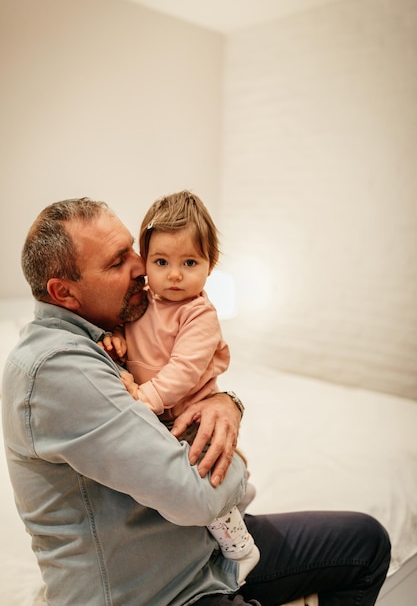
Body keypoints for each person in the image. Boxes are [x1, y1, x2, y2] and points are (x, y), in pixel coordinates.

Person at [2, 197, 391, 606]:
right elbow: (197, 498)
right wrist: (235, 457)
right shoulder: (57, 369)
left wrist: (227, 402)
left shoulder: (110, 326)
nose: (141, 267)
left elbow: (183, 372)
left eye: (133, 249)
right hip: (159, 591)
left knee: (365, 544)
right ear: (64, 293)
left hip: (203, 554)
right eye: (118, 262)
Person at [104, 191, 259, 585]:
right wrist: (115, 340)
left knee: (204, 473)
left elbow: (184, 370)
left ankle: (241, 546)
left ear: (211, 266)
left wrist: (145, 398)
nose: (174, 275)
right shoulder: (140, 301)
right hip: (156, 415)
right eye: (162, 262)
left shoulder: (199, 314)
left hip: (189, 410)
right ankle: (237, 500)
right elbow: (126, 331)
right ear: (145, 262)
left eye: (189, 263)